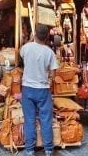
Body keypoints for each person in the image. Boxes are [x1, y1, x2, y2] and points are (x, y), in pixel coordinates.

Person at [20, 23, 59, 156]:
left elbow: (22, 55)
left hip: (27, 89)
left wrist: (31, 39)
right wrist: (46, 75)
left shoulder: (26, 48)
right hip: (43, 90)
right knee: (45, 119)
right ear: (47, 37)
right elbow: (53, 75)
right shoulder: (50, 52)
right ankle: (48, 149)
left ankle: (30, 150)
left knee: (29, 119)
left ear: (34, 34)